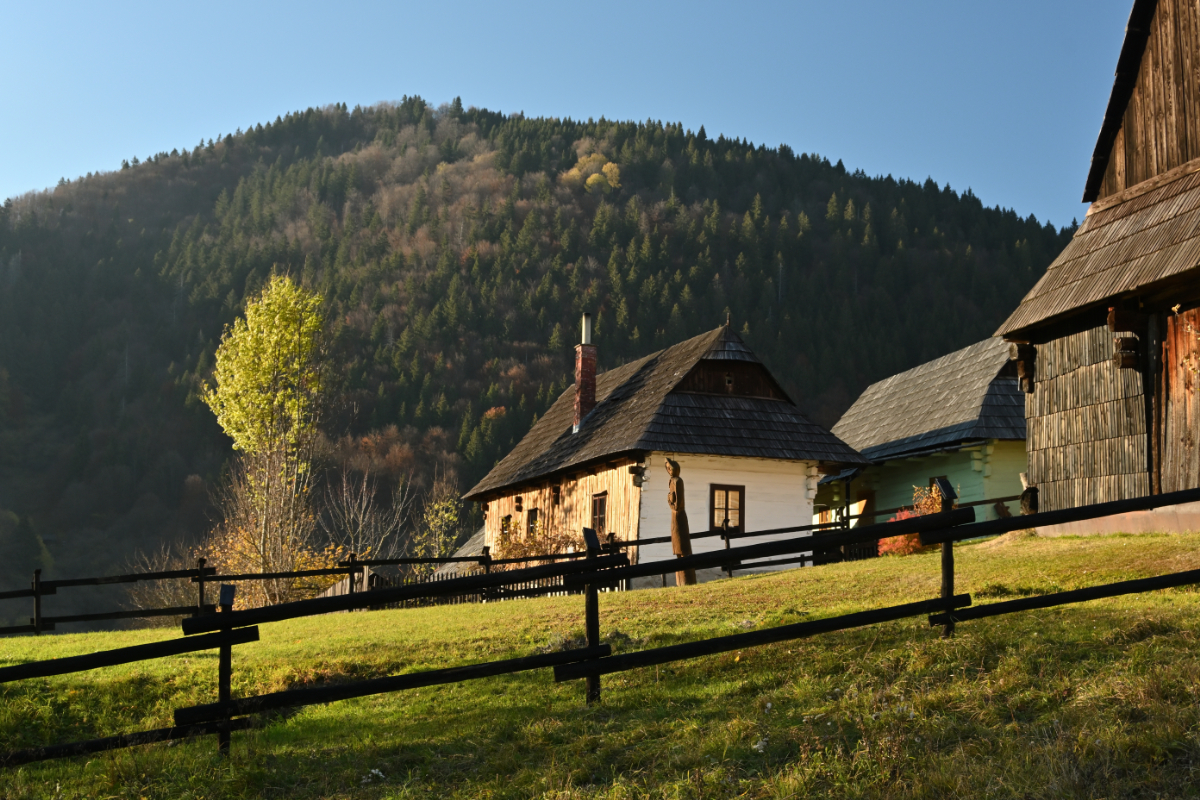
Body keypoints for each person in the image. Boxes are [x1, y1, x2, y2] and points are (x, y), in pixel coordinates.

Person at [665, 458, 697, 586]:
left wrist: (669, 499)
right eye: (667, 468)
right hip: (675, 516)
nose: (669, 471)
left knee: (682, 546)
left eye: (670, 468)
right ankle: (680, 579)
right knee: (677, 547)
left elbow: (678, 505)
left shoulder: (678, 481)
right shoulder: (671, 481)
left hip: (678, 516)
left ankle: (686, 579)